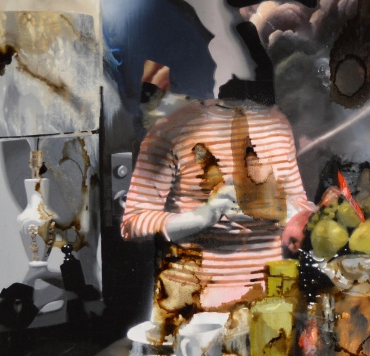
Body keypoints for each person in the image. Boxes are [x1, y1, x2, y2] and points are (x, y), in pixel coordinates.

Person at [121, 98, 314, 329]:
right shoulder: (171, 128)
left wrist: (279, 209)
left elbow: (300, 207)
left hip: (268, 307)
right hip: (192, 312)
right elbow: (133, 222)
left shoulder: (276, 123)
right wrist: (201, 217)